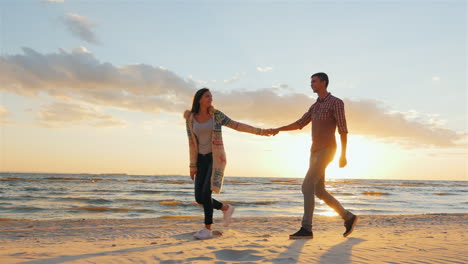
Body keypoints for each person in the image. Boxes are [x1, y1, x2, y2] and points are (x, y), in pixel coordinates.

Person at [271, 72, 358, 239]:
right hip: (314, 152)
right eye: (311, 82)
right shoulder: (315, 106)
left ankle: (307, 229)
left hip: (328, 150)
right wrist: (278, 129)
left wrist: (343, 154)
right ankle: (348, 217)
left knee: (307, 185)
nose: (311, 84)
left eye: (314, 81)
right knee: (319, 190)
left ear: (323, 83)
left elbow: (343, 129)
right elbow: (299, 123)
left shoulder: (336, 103)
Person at [184, 88, 275, 240]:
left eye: (211, 96)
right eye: (207, 96)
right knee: (199, 198)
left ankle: (207, 229)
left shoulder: (217, 116)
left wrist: (261, 131)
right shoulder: (190, 118)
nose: (210, 98)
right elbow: (191, 144)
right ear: (199, 99)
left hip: (215, 158)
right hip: (200, 160)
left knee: (206, 193)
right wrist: (192, 165)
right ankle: (226, 208)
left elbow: (237, 125)